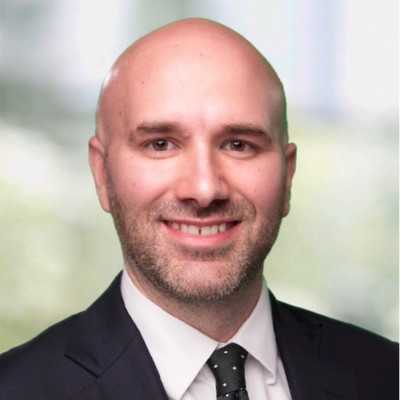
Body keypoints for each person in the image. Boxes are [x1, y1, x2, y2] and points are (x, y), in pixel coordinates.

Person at [0, 18, 397, 400]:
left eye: (239, 145)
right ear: (102, 173)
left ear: (287, 175)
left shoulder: (387, 376)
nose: (205, 190)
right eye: (160, 144)